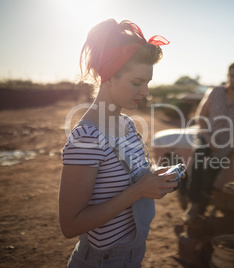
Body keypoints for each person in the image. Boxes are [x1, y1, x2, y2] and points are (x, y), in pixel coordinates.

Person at [59, 19, 181, 267]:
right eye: (137, 82)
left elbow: (125, 182)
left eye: (148, 83)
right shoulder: (87, 137)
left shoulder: (127, 124)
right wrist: (139, 191)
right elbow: (70, 225)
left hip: (130, 257)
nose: (145, 92)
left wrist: (154, 179)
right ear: (109, 77)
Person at [184, 62, 234, 222]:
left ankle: (201, 208)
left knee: (210, 174)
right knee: (198, 165)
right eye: (232, 75)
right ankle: (193, 206)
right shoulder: (214, 92)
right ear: (228, 76)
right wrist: (208, 138)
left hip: (226, 144)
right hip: (206, 136)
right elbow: (200, 116)